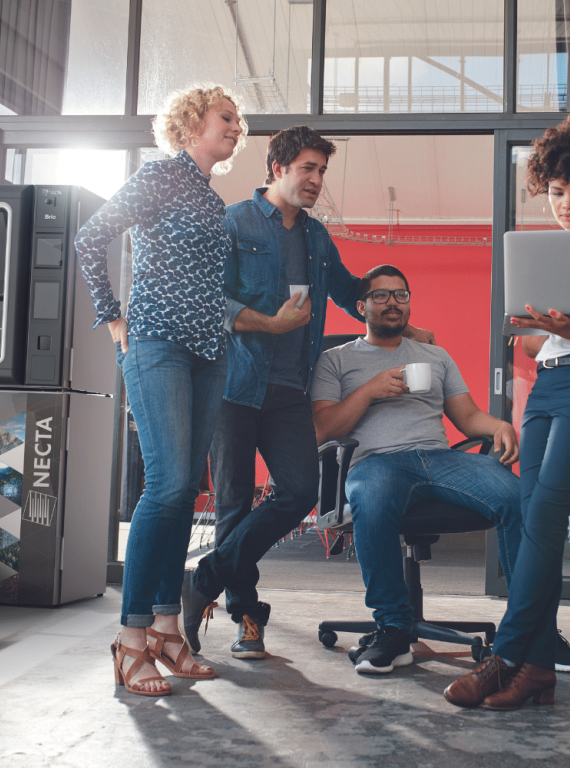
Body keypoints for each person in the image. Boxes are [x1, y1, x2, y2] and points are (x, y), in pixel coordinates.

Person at [182, 126, 436, 660]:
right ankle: (247, 619)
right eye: (308, 169)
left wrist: (401, 322)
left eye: (322, 170)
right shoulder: (234, 222)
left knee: (298, 492)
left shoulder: (317, 238)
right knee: (231, 504)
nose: (317, 180)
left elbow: (348, 291)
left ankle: (202, 579)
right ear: (277, 169)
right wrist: (269, 325)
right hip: (233, 385)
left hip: (290, 388)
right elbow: (213, 299)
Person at [445, 115, 570, 710]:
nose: (566, 204)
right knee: (533, 514)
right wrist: (540, 330)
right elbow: (535, 346)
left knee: (547, 512)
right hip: (551, 389)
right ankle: (537, 671)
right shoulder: (542, 253)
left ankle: (504, 655)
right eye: (557, 192)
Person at [74, 84, 247, 697]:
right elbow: (91, 236)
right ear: (193, 120)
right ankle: (130, 639)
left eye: (237, 121)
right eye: (227, 118)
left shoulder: (208, 194)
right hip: (157, 345)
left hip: (208, 353)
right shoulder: (162, 176)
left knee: (181, 495)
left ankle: (170, 632)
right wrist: (113, 315)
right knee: (168, 484)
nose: (236, 127)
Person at [310, 264, 523, 673]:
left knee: (515, 496)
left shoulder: (435, 356)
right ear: (361, 306)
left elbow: (466, 416)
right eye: (381, 295)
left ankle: (530, 629)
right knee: (371, 499)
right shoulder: (335, 360)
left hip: (438, 457)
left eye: (401, 294)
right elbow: (324, 430)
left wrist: (498, 425)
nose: (392, 302)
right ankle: (392, 628)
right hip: (376, 462)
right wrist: (370, 391)